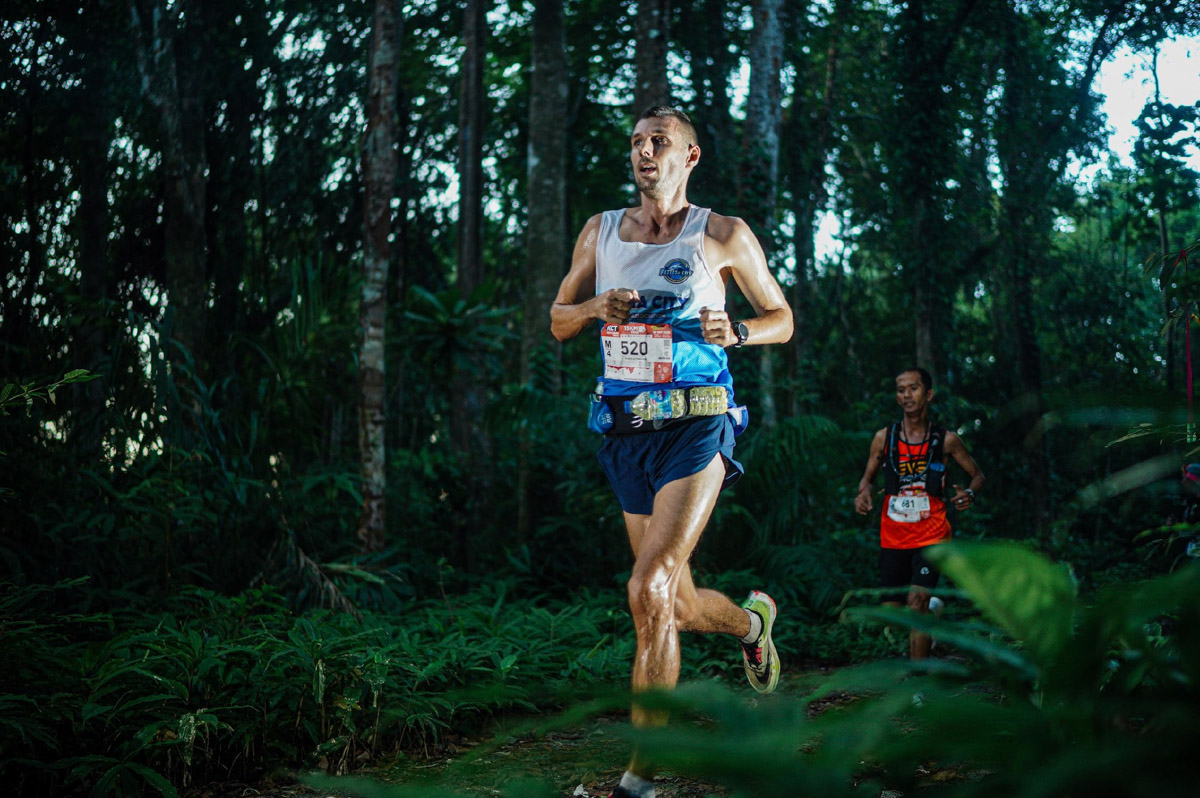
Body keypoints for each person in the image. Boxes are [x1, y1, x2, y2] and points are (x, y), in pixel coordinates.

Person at [550, 106, 794, 798]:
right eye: (636, 142)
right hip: (627, 431)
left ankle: (638, 780)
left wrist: (737, 331)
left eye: (659, 141)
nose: (644, 151)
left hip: (698, 424)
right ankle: (751, 624)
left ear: (689, 156)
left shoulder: (722, 234)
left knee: (647, 587)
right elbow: (558, 319)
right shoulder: (600, 232)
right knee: (675, 605)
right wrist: (594, 309)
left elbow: (782, 318)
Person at [853, 367, 984, 662]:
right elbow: (867, 479)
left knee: (917, 602)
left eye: (913, 388)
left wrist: (970, 493)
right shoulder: (884, 438)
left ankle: (917, 682)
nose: (906, 395)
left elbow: (977, 476)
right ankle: (932, 611)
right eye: (901, 390)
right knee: (894, 611)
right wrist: (863, 494)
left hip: (932, 534)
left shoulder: (946, 440)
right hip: (894, 535)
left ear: (929, 394)